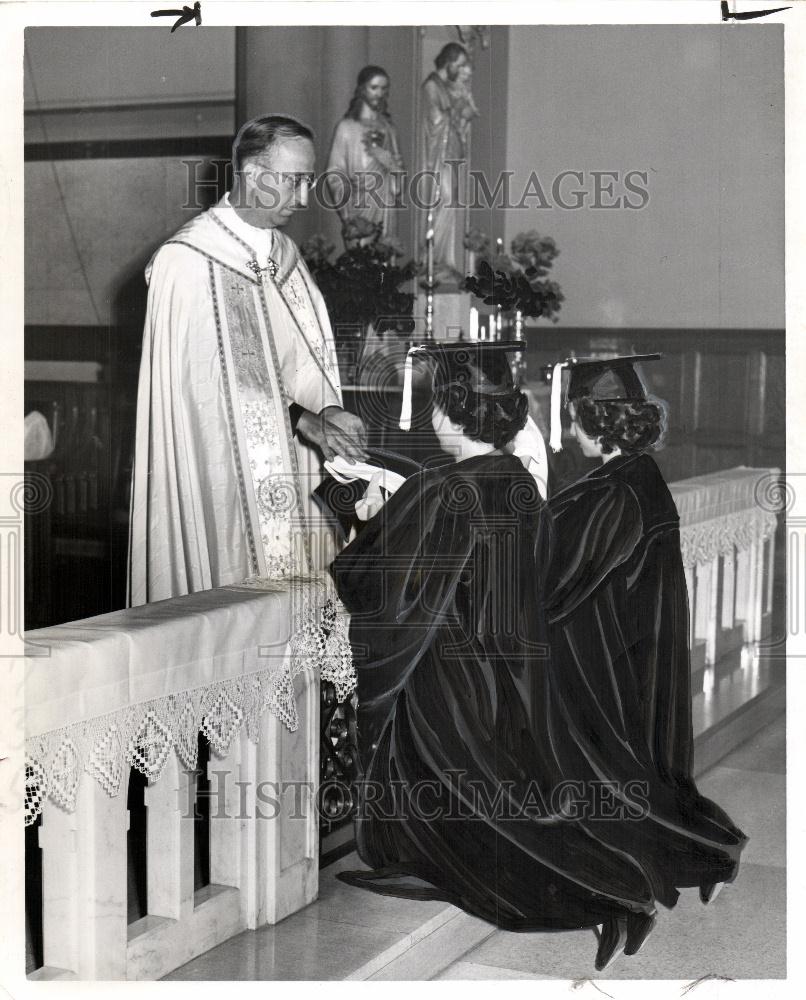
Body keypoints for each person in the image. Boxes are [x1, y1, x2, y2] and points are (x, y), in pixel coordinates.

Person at [543, 355, 748, 970]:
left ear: (596, 420)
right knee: (646, 775)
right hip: (640, 652)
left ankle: (623, 903)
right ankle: (711, 856)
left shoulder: (607, 494)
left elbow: (554, 577)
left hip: (608, 662)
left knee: (605, 780)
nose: (570, 429)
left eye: (576, 416)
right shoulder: (641, 475)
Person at [128, 114, 368, 606]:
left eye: (310, 181)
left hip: (293, 475)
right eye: (295, 181)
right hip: (223, 482)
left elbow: (304, 357)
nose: (304, 198)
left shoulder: (286, 254)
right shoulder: (187, 261)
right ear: (254, 175)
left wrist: (327, 411)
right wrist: (306, 421)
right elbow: (208, 391)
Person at [418, 42, 478, 282]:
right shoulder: (432, 86)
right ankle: (432, 259)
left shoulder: (446, 87)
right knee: (444, 200)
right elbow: (435, 121)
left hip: (450, 157)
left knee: (451, 203)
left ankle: (444, 259)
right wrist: (457, 110)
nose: (464, 70)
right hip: (437, 159)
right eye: (461, 64)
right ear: (449, 63)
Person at [326, 66, 405, 245]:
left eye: (384, 89)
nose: (379, 94)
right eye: (374, 88)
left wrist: (391, 165)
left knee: (385, 265)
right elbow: (335, 172)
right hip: (359, 206)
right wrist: (348, 211)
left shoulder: (389, 129)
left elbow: (398, 182)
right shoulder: (347, 128)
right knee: (362, 264)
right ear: (362, 89)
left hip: (386, 204)